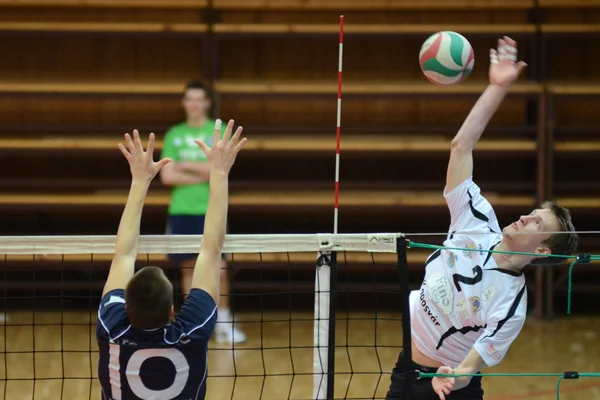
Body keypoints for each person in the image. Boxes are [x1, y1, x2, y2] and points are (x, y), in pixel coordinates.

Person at [385, 36, 578, 400]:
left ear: (541, 251)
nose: (525, 218)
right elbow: (461, 147)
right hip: (405, 369)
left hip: (444, 388)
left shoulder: (510, 305)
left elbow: (471, 367)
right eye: (532, 213)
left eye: (537, 223)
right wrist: (496, 87)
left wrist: (451, 378)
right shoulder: (476, 219)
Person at [96, 120, 247, 400]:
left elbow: (124, 254)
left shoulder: (111, 327)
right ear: (171, 311)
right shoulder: (194, 328)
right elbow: (212, 250)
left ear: (126, 307)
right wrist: (220, 172)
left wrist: (139, 181)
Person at [159, 81, 246, 344]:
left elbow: (220, 171)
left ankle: (223, 321)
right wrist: (204, 170)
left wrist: (186, 165)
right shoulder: (174, 133)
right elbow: (166, 175)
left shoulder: (216, 132)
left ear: (207, 102)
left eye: (199, 99)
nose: (194, 104)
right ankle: (193, 323)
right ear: (184, 103)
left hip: (212, 210)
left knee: (219, 268)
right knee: (189, 269)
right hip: (182, 210)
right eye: (189, 99)